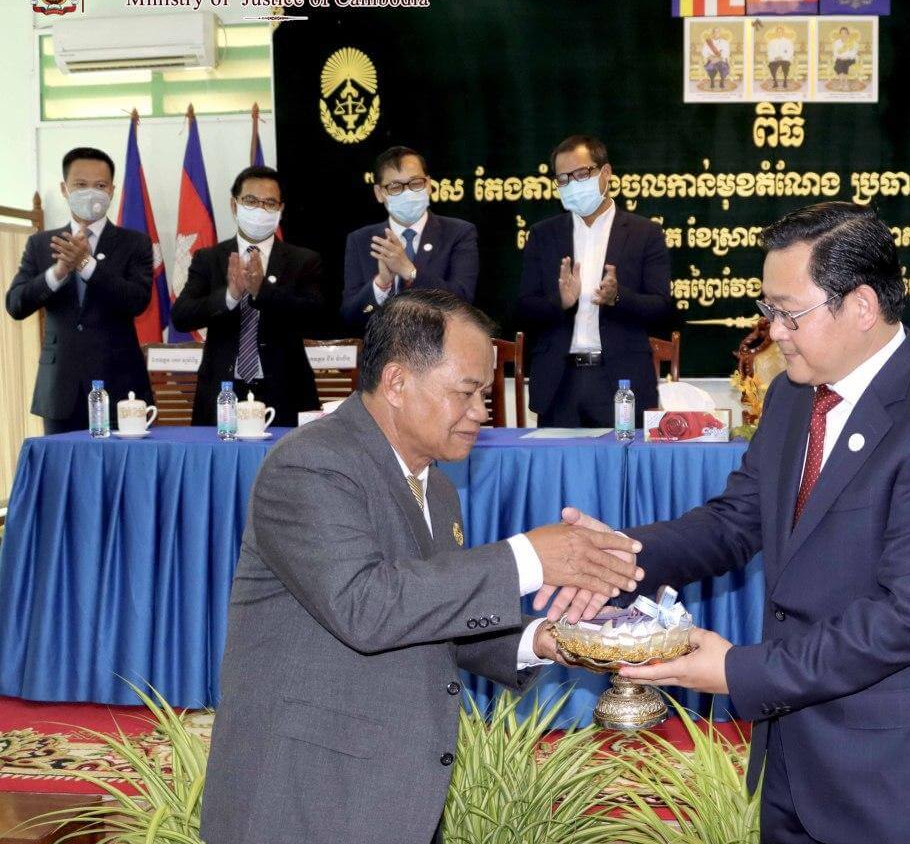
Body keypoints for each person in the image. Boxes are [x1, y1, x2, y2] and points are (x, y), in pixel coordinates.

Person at [547, 203, 910, 844]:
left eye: (790, 313)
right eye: (768, 309)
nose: (774, 331)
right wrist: (620, 554)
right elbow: (736, 521)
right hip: (791, 758)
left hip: (893, 772)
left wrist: (739, 673)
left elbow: (908, 618)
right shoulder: (793, 393)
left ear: (862, 306)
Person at [201, 289, 644, 844]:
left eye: (485, 393)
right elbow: (366, 607)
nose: (481, 411)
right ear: (396, 382)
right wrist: (529, 557)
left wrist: (547, 640)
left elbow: (434, 614)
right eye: (466, 392)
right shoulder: (310, 464)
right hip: (304, 797)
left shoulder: (437, 488)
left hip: (393, 795)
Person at [517, 135, 672, 427]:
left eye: (580, 174)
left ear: (606, 173)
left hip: (621, 381)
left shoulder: (644, 233)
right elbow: (523, 309)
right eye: (563, 179)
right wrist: (560, 302)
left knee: (621, 458)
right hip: (559, 383)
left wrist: (618, 297)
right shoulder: (543, 235)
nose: (572, 184)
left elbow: (662, 309)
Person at [5, 147, 153, 434]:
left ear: (112, 190)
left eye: (100, 186)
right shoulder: (41, 244)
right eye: (81, 185)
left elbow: (137, 301)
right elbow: (16, 304)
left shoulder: (135, 243)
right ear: (65, 189)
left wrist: (85, 264)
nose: (91, 193)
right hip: (61, 389)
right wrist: (58, 272)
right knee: (61, 464)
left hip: (120, 386)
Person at [170, 165, 324, 427]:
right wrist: (229, 296)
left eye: (269, 203)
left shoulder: (303, 260)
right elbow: (181, 317)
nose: (260, 210)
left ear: (280, 209)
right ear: (235, 205)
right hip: (222, 390)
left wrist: (262, 291)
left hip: (286, 390)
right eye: (251, 201)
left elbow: (316, 317)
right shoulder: (209, 258)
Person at [341, 146, 479, 329]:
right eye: (395, 186)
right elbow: (349, 316)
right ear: (379, 193)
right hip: (382, 345)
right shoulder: (361, 240)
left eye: (415, 183)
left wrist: (409, 272)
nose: (407, 193)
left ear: (428, 184)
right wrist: (381, 284)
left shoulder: (459, 232)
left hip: (439, 342)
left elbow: (464, 302)